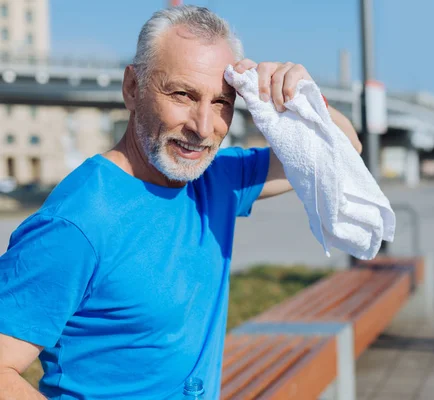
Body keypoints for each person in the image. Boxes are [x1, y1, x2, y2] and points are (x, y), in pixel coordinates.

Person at [0, 6, 361, 399]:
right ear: (132, 89)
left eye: (222, 101)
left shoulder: (214, 178)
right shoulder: (77, 224)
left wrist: (301, 96)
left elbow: (342, 151)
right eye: (182, 94)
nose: (203, 127)